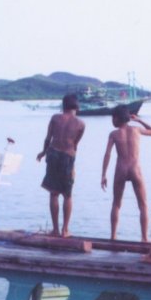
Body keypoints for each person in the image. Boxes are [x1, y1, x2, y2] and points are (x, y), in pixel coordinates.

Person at [101, 105, 151, 241]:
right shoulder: (136, 130)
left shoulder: (114, 134)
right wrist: (138, 120)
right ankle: (144, 238)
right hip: (135, 169)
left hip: (121, 169)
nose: (112, 121)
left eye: (112, 118)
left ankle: (113, 236)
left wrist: (103, 174)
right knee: (143, 205)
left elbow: (107, 154)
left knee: (116, 204)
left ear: (117, 118)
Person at [36, 93, 86, 237]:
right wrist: (72, 166)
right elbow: (75, 145)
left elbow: (48, 139)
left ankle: (55, 229)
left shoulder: (55, 118)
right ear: (76, 106)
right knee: (67, 195)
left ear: (63, 106)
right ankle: (65, 230)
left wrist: (43, 152)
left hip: (53, 154)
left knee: (53, 193)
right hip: (67, 156)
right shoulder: (81, 124)